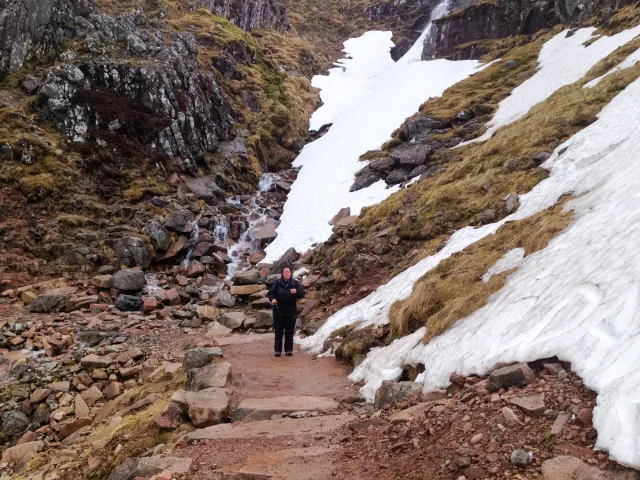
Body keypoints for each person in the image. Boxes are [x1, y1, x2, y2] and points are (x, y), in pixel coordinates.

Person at [268, 266, 305, 357]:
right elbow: (271, 293)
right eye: (285, 272)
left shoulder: (294, 283)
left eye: (288, 272)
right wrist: (273, 299)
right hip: (278, 310)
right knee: (278, 331)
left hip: (290, 310)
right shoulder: (277, 283)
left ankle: (289, 350)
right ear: (282, 273)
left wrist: (296, 291)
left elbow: (302, 293)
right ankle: (278, 350)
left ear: (290, 273)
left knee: (289, 331)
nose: (286, 273)